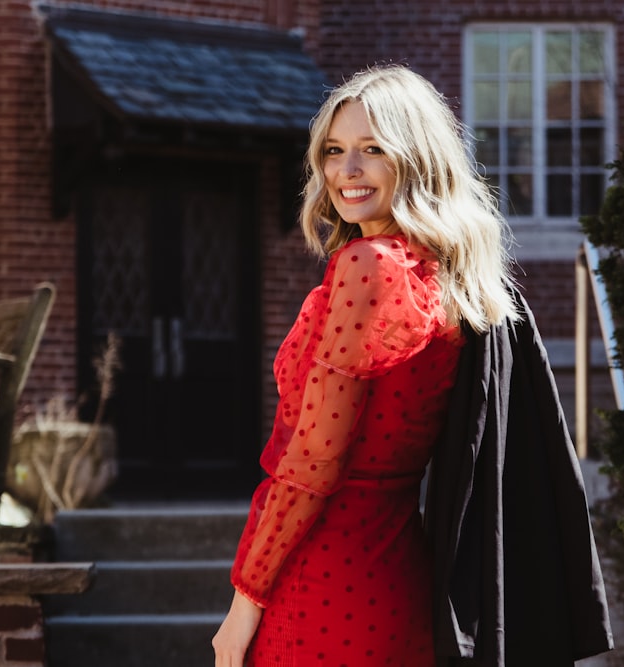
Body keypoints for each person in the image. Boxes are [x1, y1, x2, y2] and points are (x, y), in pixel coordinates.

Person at [212, 64, 521, 667]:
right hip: (396, 570)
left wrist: (243, 603)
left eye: (372, 150)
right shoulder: (446, 275)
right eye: (333, 150)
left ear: (416, 158)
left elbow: (312, 462)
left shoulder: (369, 266)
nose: (345, 172)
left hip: (324, 578)